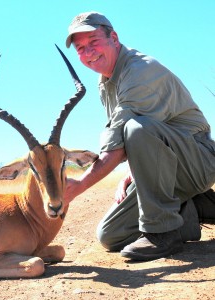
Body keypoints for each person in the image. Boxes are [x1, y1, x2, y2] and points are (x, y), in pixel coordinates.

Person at [64, 11, 215, 261]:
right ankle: (194, 210)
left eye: (93, 42)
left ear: (114, 37)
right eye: (80, 48)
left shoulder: (138, 70)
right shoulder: (107, 81)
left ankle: (163, 233)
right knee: (110, 235)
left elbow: (126, 139)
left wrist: (79, 186)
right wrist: (133, 172)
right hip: (168, 165)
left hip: (198, 161)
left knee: (136, 128)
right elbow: (131, 138)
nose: (87, 53)